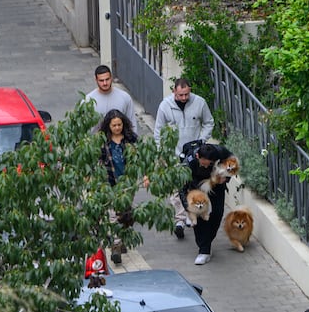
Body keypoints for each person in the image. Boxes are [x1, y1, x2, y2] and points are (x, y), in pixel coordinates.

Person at [153, 78, 214, 239]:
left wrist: (202, 140)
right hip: (173, 153)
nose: (184, 98)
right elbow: (158, 130)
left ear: (190, 90)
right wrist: (160, 151)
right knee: (175, 188)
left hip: (194, 153)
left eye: (186, 94)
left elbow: (209, 122)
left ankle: (190, 214)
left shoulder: (200, 103)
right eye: (180, 95)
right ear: (174, 91)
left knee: (192, 184)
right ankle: (179, 219)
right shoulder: (165, 106)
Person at [180, 143, 232, 265]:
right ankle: (204, 250)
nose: (206, 165)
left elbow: (232, 162)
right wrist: (187, 207)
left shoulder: (220, 151)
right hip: (196, 186)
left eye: (209, 163)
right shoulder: (190, 162)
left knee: (217, 214)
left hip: (216, 183)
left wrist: (227, 177)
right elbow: (181, 186)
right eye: (204, 162)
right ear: (198, 156)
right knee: (200, 216)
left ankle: (207, 242)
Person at [98, 109, 138, 264]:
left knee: (126, 213)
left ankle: (123, 239)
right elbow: (97, 159)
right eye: (114, 125)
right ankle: (116, 245)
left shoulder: (130, 139)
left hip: (128, 182)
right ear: (108, 126)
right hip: (110, 182)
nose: (117, 128)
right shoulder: (103, 142)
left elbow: (141, 157)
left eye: (119, 125)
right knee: (113, 214)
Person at [85, 65, 137, 134]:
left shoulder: (125, 98)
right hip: (96, 143)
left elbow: (132, 123)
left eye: (107, 79)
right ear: (96, 80)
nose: (105, 83)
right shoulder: (88, 100)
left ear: (111, 78)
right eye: (101, 80)